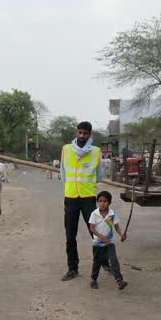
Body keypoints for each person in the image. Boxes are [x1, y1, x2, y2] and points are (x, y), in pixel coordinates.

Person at [60, 121, 102, 281]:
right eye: (80, 132)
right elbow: (63, 173)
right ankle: (72, 268)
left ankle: (103, 263)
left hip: (88, 199)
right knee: (70, 235)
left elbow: (99, 176)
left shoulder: (96, 152)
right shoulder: (66, 149)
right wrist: (72, 186)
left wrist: (86, 185)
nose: (82, 136)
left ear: (90, 135)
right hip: (70, 198)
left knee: (96, 233)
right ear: (76, 133)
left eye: (85, 133)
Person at [88, 191, 128, 290]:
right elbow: (92, 228)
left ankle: (119, 280)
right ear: (97, 202)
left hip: (109, 243)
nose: (102, 203)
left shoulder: (112, 214)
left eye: (105, 201)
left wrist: (122, 234)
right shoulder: (94, 214)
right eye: (100, 201)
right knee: (97, 262)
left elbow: (116, 226)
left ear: (109, 203)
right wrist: (102, 237)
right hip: (97, 244)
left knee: (114, 260)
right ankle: (93, 280)